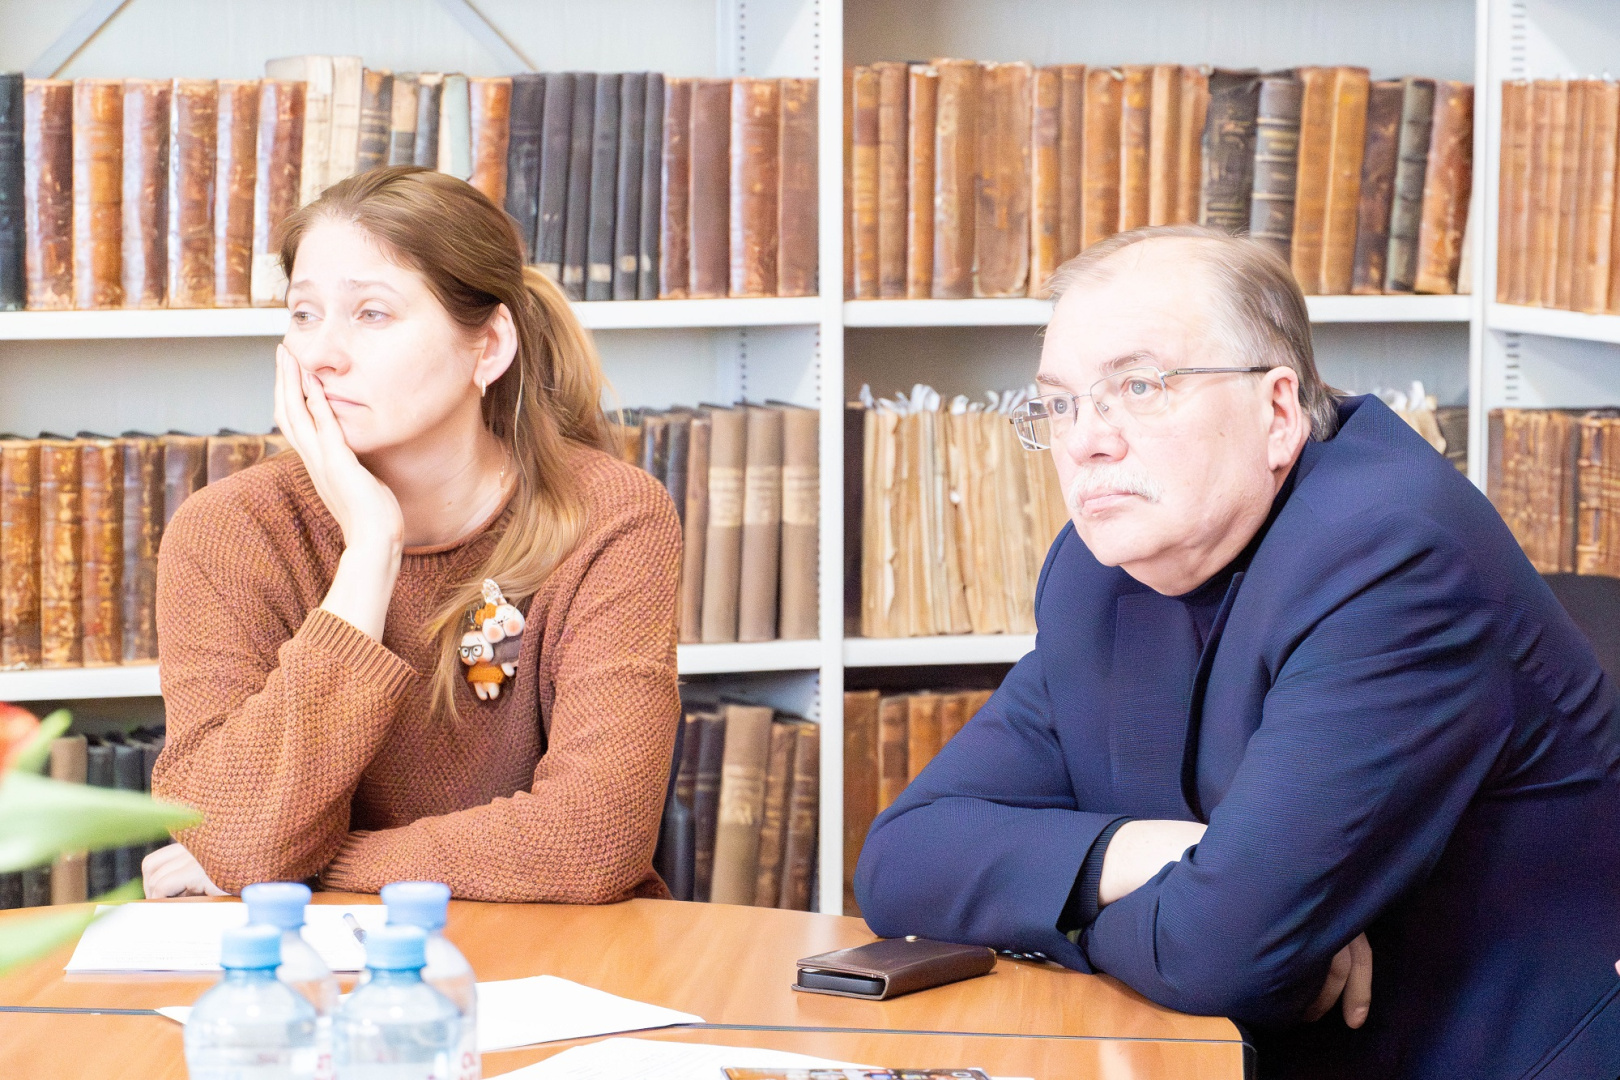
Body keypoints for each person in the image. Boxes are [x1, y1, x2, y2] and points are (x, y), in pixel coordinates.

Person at [854, 225, 1620, 1079]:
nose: (1085, 440)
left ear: (1278, 412)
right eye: (1061, 403)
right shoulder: (1100, 572)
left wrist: (1082, 910)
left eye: (1138, 387)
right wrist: (1152, 853)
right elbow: (901, 860)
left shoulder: (1392, 558)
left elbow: (1221, 954)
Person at [143, 166, 681, 904]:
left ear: (487, 348)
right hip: (307, 962)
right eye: (304, 314)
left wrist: (301, 867)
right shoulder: (229, 531)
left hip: (562, 954)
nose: (321, 353)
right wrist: (370, 550)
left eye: (371, 313)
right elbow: (233, 835)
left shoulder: (611, 516)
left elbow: (596, 838)